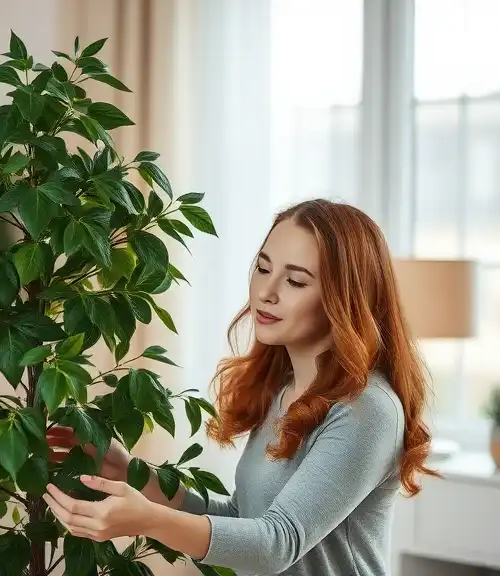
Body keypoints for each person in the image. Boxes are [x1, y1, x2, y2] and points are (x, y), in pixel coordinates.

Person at [44, 199, 438, 575]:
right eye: (263, 269)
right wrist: (133, 474)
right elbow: (242, 523)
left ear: (344, 298)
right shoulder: (285, 391)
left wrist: (149, 520)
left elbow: (275, 544)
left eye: (296, 281)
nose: (266, 292)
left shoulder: (366, 410)